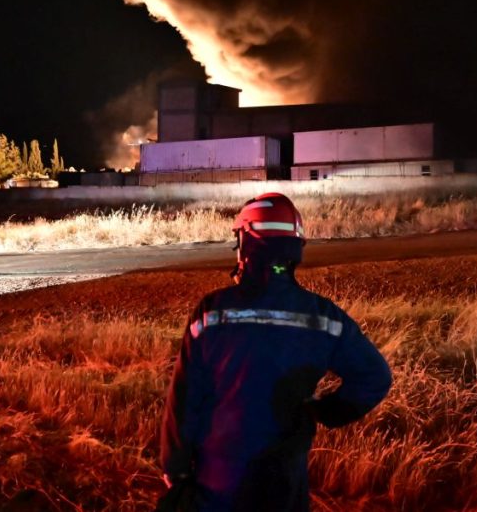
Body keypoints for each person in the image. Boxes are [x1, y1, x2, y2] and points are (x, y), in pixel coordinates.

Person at [159, 192, 392, 511]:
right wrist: (325, 412)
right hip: (284, 483)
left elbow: (184, 398)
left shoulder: (212, 313)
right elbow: (375, 377)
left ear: (247, 242)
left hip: (218, 481)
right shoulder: (323, 318)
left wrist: (175, 466)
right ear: (295, 247)